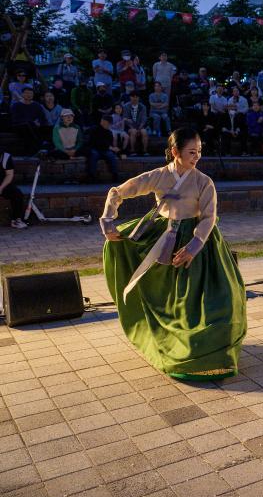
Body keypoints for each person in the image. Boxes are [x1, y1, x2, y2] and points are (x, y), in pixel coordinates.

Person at [100, 128, 246, 380]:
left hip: (198, 240)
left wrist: (193, 246)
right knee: (169, 296)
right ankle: (169, 338)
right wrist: (108, 218)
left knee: (219, 298)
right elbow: (119, 191)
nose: (197, 156)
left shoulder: (204, 181)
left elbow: (209, 217)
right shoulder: (158, 176)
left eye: (199, 151)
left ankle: (209, 348)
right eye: (191, 152)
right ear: (175, 152)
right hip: (164, 235)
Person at [11, 87, 46, 156]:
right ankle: (38, 148)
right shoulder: (16, 105)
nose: (29, 95)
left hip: (34, 127)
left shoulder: (36, 105)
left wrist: (39, 123)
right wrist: (31, 122)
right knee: (28, 125)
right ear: (22, 94)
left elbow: (43, 118)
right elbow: (14, 119)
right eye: (26, 93)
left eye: (30, 93)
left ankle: (35, 151)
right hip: (19, 126)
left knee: (35, 126)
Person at [86, 115, 121, 183]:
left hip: (105, 149)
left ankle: (115, 175)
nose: (106, 124)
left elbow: (110, 143)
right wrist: (110, 147)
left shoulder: (109, 132)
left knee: (111, 156)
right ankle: (92, 175)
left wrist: (113, 148)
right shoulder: (94, 129)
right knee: (93, 155)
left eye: (108, 123)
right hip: (95, 148)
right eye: (105, 122)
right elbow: (95, 142)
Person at [1, 147, 28, 229]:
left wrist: (1, 188)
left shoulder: (5, 157)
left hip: (3, 183)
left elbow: (9, 175)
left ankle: (16, 220)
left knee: (17, 194)